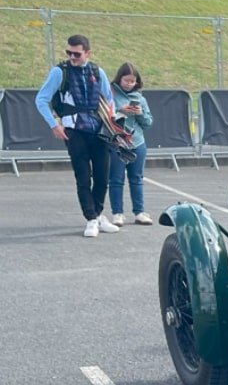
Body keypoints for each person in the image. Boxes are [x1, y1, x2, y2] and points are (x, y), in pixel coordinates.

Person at [35, 34, 119, 238]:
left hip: (98, 129)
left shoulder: (98, 72)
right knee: (83, 177)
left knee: (102, 176)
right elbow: (41, 99)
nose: (72, 56)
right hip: (74, 130)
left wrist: (113, 124)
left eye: (77, 53)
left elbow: (109, 100)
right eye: (68, 52)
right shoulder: (59, 72)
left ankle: (98, 214)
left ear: (87, 53)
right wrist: (54, 124)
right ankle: (90, 218)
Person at [107, 62, 153, 226]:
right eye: (126, 80)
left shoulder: (140, 98)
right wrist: (121, 112)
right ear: (119, 79)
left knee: (137, 178)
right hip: (117, 142)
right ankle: (117, 213)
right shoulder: (110, 94)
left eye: (132, 81)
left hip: (137, 142)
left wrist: (139, 113)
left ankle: (139, 212)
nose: (129, 84)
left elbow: (148, 123)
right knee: (116, 179)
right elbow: (106, 118)